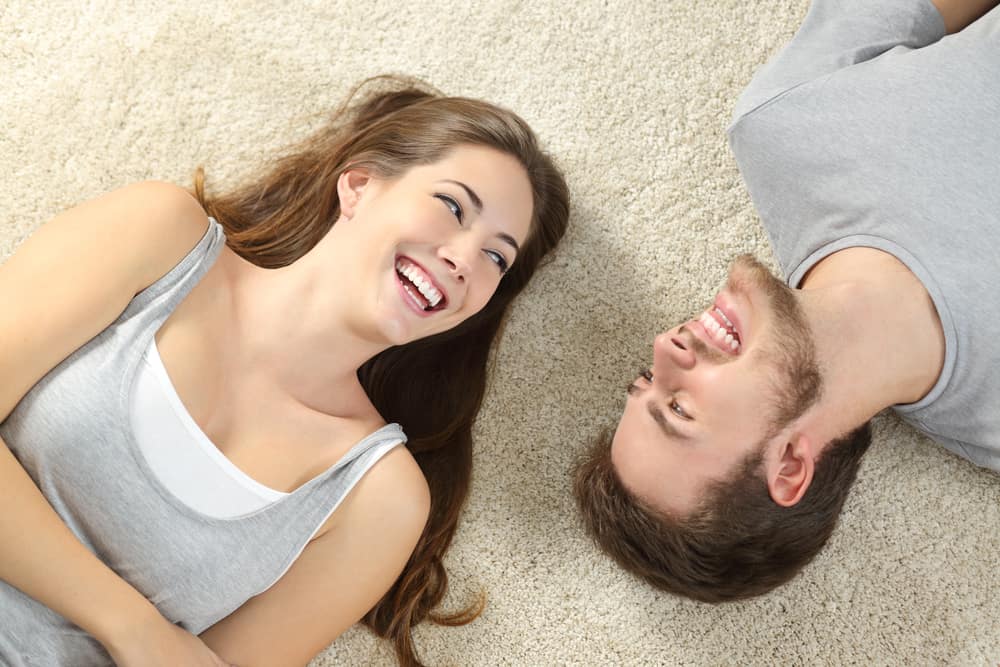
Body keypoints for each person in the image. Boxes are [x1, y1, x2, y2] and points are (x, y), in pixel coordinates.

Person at [0, 77, 569, 666]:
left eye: (496, 257)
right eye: (452, 207)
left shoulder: (378, 499)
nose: (461, 258)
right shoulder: (159, 235)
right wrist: (131, 625)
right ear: (359, 186)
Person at [574, 0, 1000, 603]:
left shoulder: (786, 125)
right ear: (791, 465)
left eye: (647, 378)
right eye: (679, 409)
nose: (664, 345)